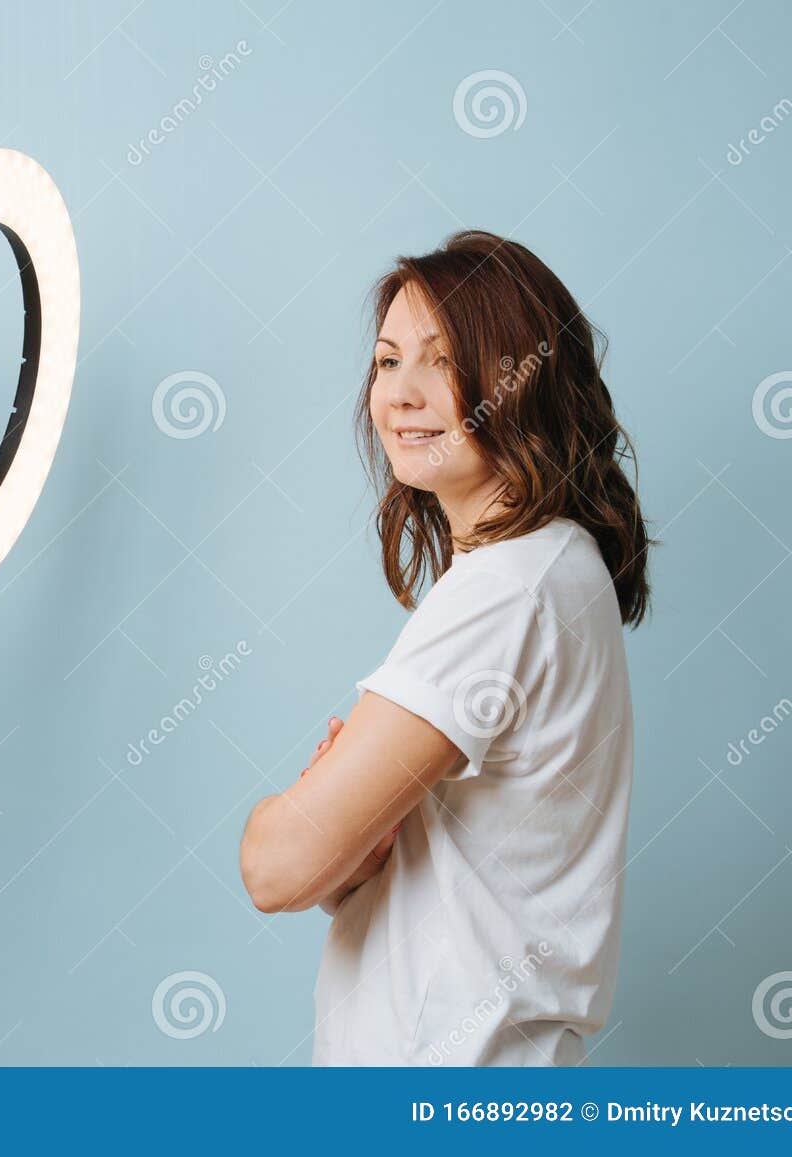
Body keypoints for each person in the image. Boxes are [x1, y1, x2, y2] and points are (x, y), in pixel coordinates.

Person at [239, 230, 652, 1065]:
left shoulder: (509, 586)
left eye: (442, 358)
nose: (401, 394)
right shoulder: (554, 567)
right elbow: (422, 870)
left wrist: (310, 816)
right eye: (388, 361)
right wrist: (359, 846)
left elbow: (274, 868)